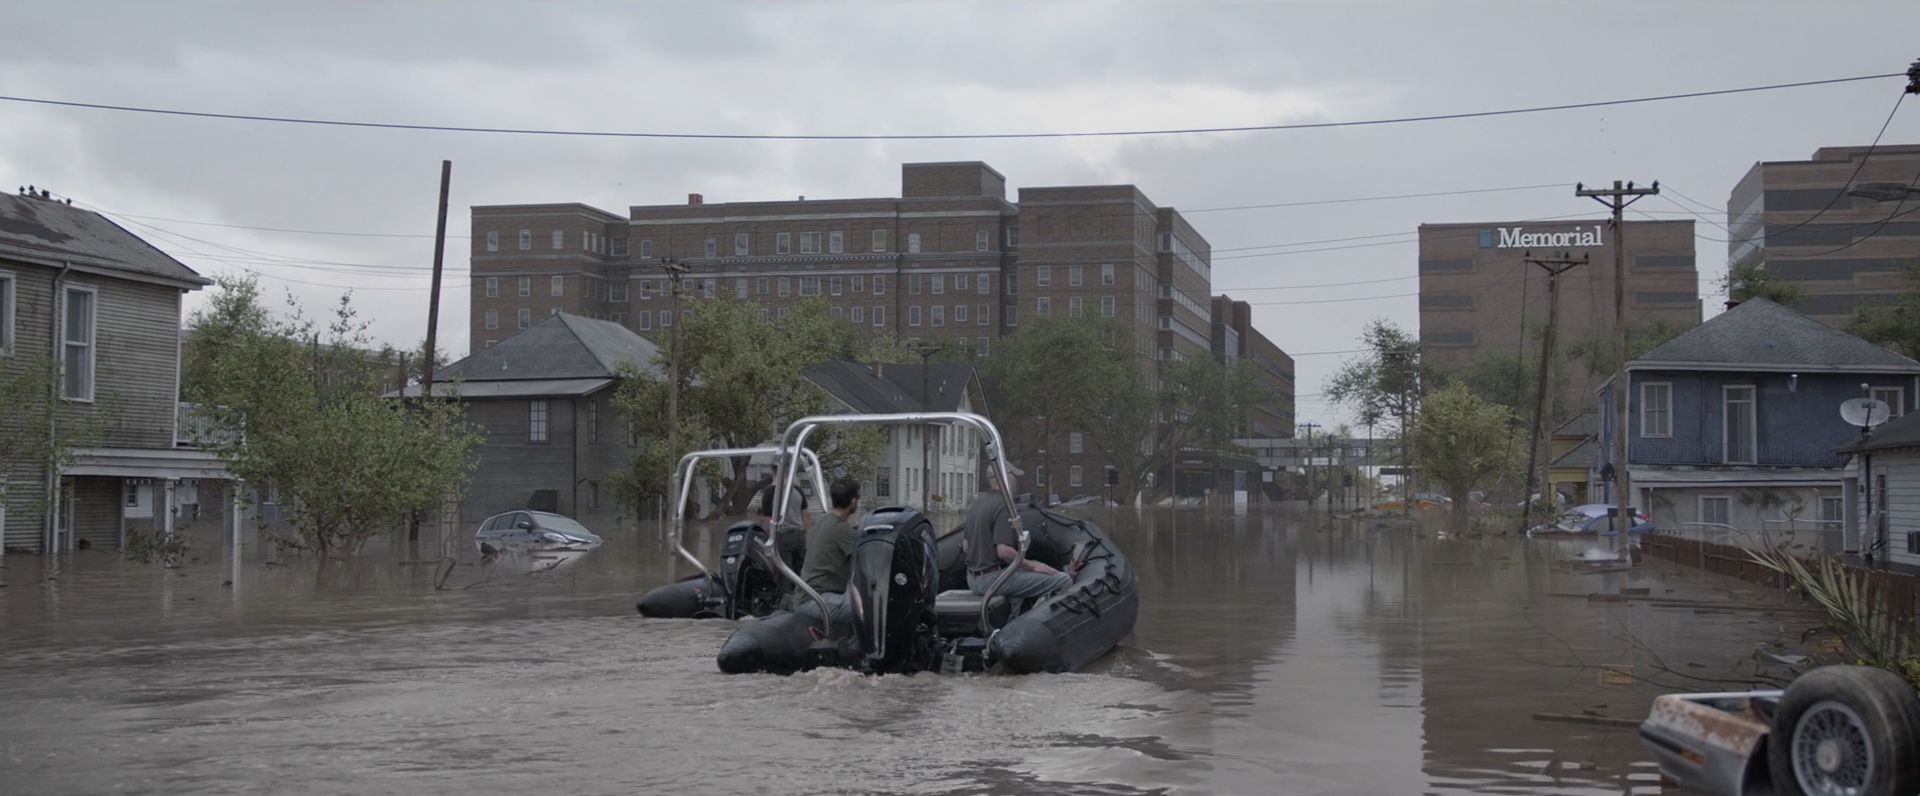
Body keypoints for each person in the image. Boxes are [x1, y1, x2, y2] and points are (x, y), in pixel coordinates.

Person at [964, 446, 1070, 601]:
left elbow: (966, 546)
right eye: (1013, 476)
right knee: (1063, 580)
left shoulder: (976, 503)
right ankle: (1038, 614)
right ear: (1005, 478)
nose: (1016, 481)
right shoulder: (1004, 505)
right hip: (992, 580)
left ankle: (1017, 612)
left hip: (972, 580)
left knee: (1018, 575)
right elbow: (1004, 551)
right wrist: (1033, 565)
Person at [793, 478, 861, 625]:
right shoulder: (841, 529)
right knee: (869, 606)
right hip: (817, 600)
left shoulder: (821, 522)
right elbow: (867, 552)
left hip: (805, 596)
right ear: (853, 502)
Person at [755, 462, 810, 570]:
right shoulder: (798, 490)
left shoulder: (770, 492)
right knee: (800, 572)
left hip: (782, 537)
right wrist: (805, 537)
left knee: (784, 572)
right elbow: (806, 517)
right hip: (800, 537)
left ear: (774, 472)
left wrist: (766, 541)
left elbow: (767, 521)